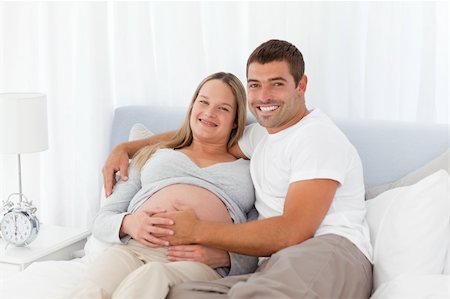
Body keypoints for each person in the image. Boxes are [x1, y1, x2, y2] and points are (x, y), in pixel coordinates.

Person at [103, 39, 373, 299]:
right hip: (273, 264)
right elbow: (203, 133)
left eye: (276, 84)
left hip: (326, 251)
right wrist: (128, 148)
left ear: (301, 85)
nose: (264, 96)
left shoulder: (316, 138)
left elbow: (293, 231)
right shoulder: (261, 137)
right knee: (179, 292)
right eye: (255, 85)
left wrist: (196, 230)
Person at [69, 72, 258, 299]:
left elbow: (261, 239)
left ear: (236, 120)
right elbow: (102, 218)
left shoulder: (249, 170)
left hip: (194, 261)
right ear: (192, 107)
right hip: (133, 249)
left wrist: (226, 257)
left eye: (223, 108)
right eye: (204, 102)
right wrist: (130, 224)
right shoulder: (155, 155)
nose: (209, 112)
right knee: (94, 286)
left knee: (153, 275)